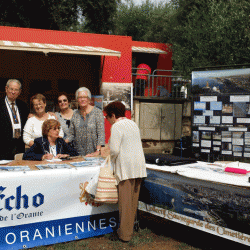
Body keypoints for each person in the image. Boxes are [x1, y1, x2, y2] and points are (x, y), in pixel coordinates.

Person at [104, 101, 147, 242]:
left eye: (107, 117)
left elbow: (115, 150)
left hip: (126, 167)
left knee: (125, 203)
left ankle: (124, 234)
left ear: (113, 115)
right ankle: (130, 229)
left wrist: (109, 158)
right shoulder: (133, 124)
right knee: (133, 201)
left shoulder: (117, 126)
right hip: (138, 166)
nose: (107, 120)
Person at [65, 87, 105, 157]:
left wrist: (98, 151)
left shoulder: (97, 112)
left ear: (89, 99)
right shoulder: (75, 114)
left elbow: (101, 134)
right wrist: (60, 143)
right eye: (80, 97)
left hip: (93, 154)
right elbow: (71, 134)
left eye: (85, 97)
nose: (82, 99)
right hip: (78, 154)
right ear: (77, 99)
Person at [0, 79, 29, 160]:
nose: (13, 92)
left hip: (19, 147)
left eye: (16, 90)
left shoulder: (23, 105)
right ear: (6, 89)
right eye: (11, 89)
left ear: (19, 92)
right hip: (2, 148)